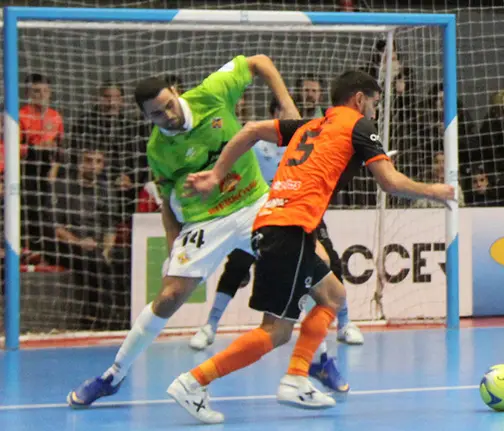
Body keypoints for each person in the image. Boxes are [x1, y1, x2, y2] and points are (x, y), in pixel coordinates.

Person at [168, 70, 455, 423]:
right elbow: (389, 182)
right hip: (288, 228)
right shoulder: (359, 125)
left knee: (333, 295)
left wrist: (216, 174)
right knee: (276, 331)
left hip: (281, 223)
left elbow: (251, 130)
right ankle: (194, 382)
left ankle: (297, 376)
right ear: (359, 99)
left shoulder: (311, 125)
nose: (375, 111)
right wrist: (438, 192)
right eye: (374, 103)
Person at [66, 54, 300, 408]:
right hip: (205, 221)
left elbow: (260, 62)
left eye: (169, 105)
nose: (168, 115)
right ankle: (113, 375)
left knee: (320, 277)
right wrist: (172, 245)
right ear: (146, 118)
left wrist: (287, 107)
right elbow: (166, 202)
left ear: (176, 93)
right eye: (157, 114)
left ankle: (310, 366)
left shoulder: (212, 92)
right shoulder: (158, 150)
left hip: (255, 202)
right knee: (170, 295)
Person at [188, 97, 365, 349]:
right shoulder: (258, 145)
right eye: (284, 111)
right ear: (274, 115)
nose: (291, 115)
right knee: (237, 263)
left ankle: (345, 324)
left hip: (302, 209)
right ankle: (210, 326)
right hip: (266, 211)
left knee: (330, 260)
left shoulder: (311, 139)